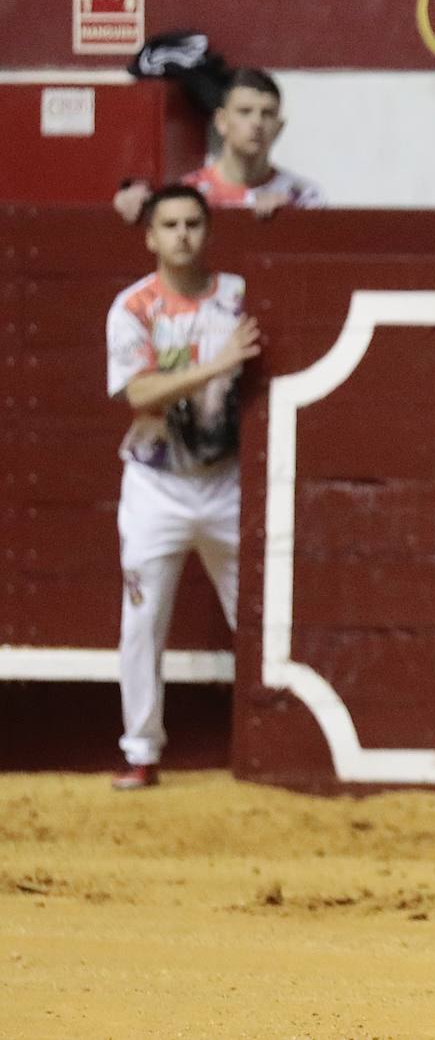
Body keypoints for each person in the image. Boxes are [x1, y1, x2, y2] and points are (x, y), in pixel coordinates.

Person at [105, 184, 261, 789]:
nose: (182, 236)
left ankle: (268, 742)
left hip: (228, 482)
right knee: (142, 621)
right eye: (169, 225)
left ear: (208, 231)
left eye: (193, 223)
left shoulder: (238, 297)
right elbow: (138, 394)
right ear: (149, 236)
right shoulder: (134, 307)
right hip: (155, 485)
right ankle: (141, 752)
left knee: (255, 614)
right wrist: (218, 365)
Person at [113, 68, 323, 223]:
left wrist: (292, 219)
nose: (257, 123)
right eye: (244, 111)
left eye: (267, 114)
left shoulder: (304, 196)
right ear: (221, 121)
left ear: (279, 127)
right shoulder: (188, 192)